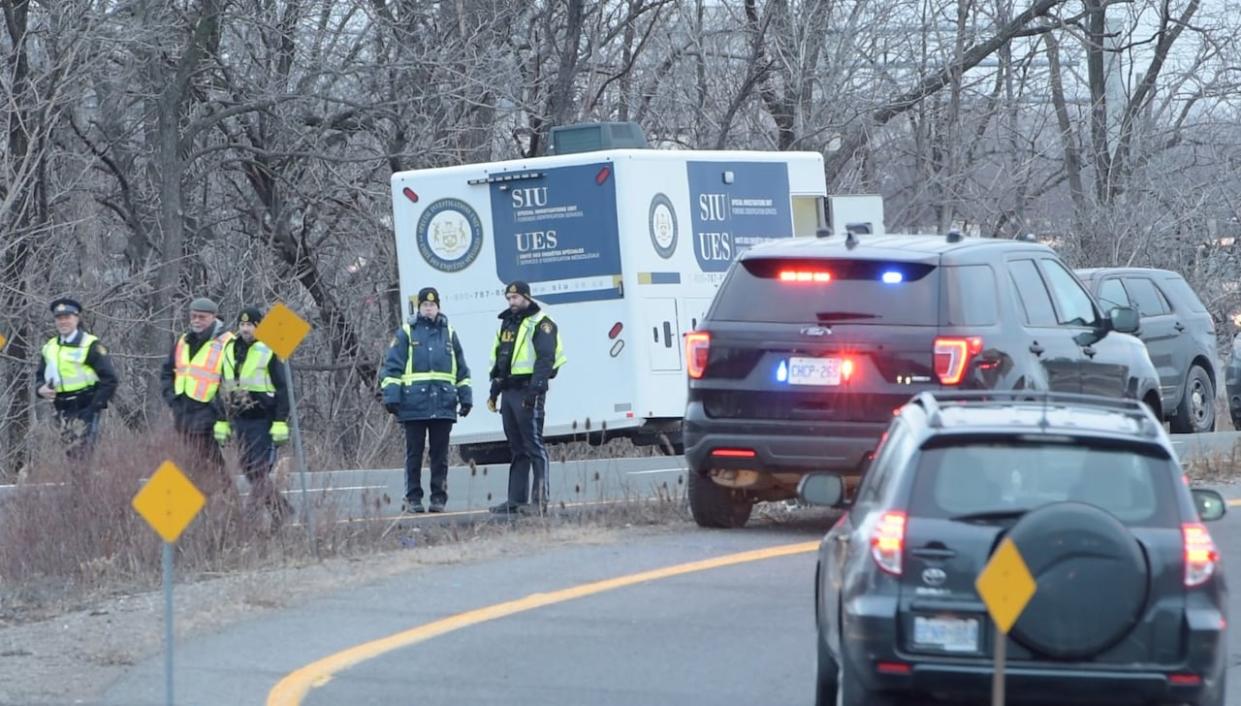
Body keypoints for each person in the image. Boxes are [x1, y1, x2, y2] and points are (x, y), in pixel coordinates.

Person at [381, 287, 472, 513]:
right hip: (414, 405)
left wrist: (465, 396)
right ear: (419, 307)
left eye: (432, 305)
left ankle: (438, 498)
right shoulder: (406, 333)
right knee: (414, 454)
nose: (428, 309)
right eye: (424, 305)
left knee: (439, 456)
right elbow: (392, 367)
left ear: (438, 307)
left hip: (443, 404)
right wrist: (392, 397)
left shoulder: (449, 333)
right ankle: (413, 498)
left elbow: (461, 369)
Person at [486, 281, 565, 515]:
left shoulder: (542, 324)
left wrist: (535, 391)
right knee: (516, 446)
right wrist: (494, 391)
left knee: (534, 445)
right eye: (509, 299)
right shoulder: (507, 323)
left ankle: (539, 502)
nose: (511, 303)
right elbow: (501, 359)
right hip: (509, 391)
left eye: (516, 298)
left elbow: (545, 360)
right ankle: (516, 500)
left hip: (528, 389)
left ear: (527, 298)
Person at [215, 307, 293, 520]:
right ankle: (281, 510)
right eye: (242, 325)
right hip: (240, 416)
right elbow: (222, 385)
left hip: (263, 417)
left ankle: (250, 515)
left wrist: (280, 421)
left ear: (259, 327)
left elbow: (283, 388)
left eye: (250, 325)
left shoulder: (269, 350)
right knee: (248, 468)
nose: (245, 329)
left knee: (258, 468)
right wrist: (222, 419)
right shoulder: (230, 349)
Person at [160, 297, 235, 480]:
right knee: (205, 462)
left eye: (201, 317)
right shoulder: (183, 341)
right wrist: (172, 398)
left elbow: (231, 383)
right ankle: (227, 501)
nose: (196, 321)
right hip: (183, 411)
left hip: (208, 411)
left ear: (213, 317)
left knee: (202, 461)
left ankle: (224, 500)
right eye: (193, 316)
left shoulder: (228, 343)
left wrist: (222, 416)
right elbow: (167, 372)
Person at [35, 298, 119, 458]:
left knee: (83, 455)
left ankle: (88, 484)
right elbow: (39, 376)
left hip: (86, 405)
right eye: (59, 318)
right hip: (62, 408)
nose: (63, 322)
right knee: (70, 456)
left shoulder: (90, 345)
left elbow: (110, 380)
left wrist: (94, 408)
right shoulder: (50, 347)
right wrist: (41, 389)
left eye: (67, 317)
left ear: (77, 318)